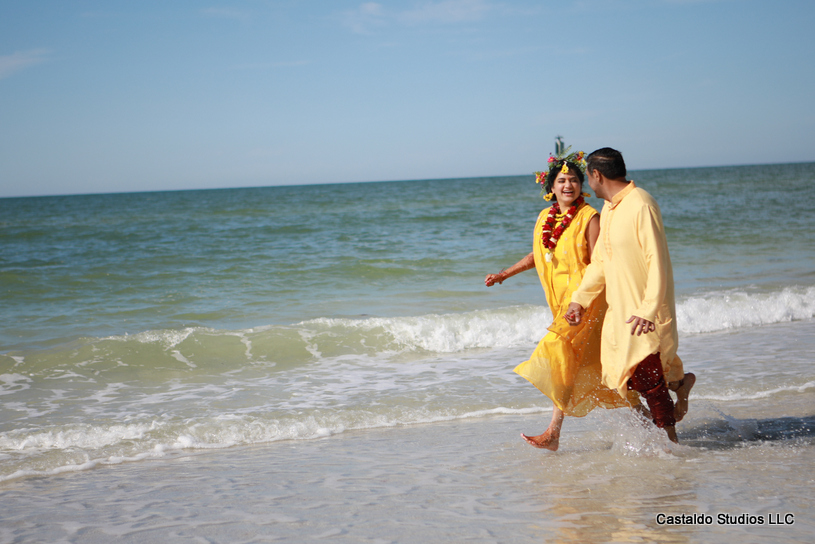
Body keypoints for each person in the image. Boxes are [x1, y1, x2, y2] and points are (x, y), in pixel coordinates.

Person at [485, 146, 640, 451]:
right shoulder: (545, 218)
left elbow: (600, 263)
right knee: (606, 369)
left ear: (582, 185)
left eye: (573, 180)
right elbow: (538, 255)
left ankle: (553, 433)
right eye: (561, 181)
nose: (567, 185)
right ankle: (654, 416)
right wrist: (505, 274)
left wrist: (582, 303)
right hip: (561, 307)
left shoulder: (589, 217)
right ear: (551, 187)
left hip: (586, 305)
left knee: (559, 354)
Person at [564, 147, 695, 443]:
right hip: (621, 310)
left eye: (587, 176)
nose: (587, 183)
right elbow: (599, 262)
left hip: (645, 310)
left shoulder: (641, 204)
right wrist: (579, 299)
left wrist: (648, 310)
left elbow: (657, 262)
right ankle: (681, 385)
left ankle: (671, 445)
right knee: (631, 377)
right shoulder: (610, 208)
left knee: (648, 381)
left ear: (597, 175)